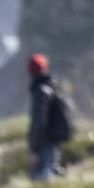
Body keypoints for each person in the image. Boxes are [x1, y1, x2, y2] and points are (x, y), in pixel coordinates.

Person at [27, 53, 69, 181]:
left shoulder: (40, 90)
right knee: (50, 174)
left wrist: (34, 149)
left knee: (41, 179)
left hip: (43, 144)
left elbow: (39, 121)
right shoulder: (52, 85)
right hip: (53, 141)